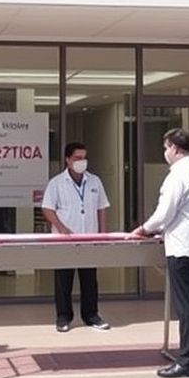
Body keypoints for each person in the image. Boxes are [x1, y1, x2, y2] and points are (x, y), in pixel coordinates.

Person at [131, 127, 189, 378]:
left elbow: (165, 212)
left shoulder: (178, 175)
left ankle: (187, 361)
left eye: (166, 148)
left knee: (186, 305)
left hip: (182, 246)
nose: (165, 152)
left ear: (174, 148)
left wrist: (144, 229)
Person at [41, 142, 111, 333]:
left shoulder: (94, 181)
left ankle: (91, 315)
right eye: (77, 158)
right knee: (63, 280)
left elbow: (102, 208)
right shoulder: (56, 183)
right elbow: (47, 209)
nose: (82, 161)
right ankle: (63, 317)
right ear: (68, 159)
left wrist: (102, 234)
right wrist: (61, 228)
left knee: (89, 280)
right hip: (64, 241)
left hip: (89, 238)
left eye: (84, 157)